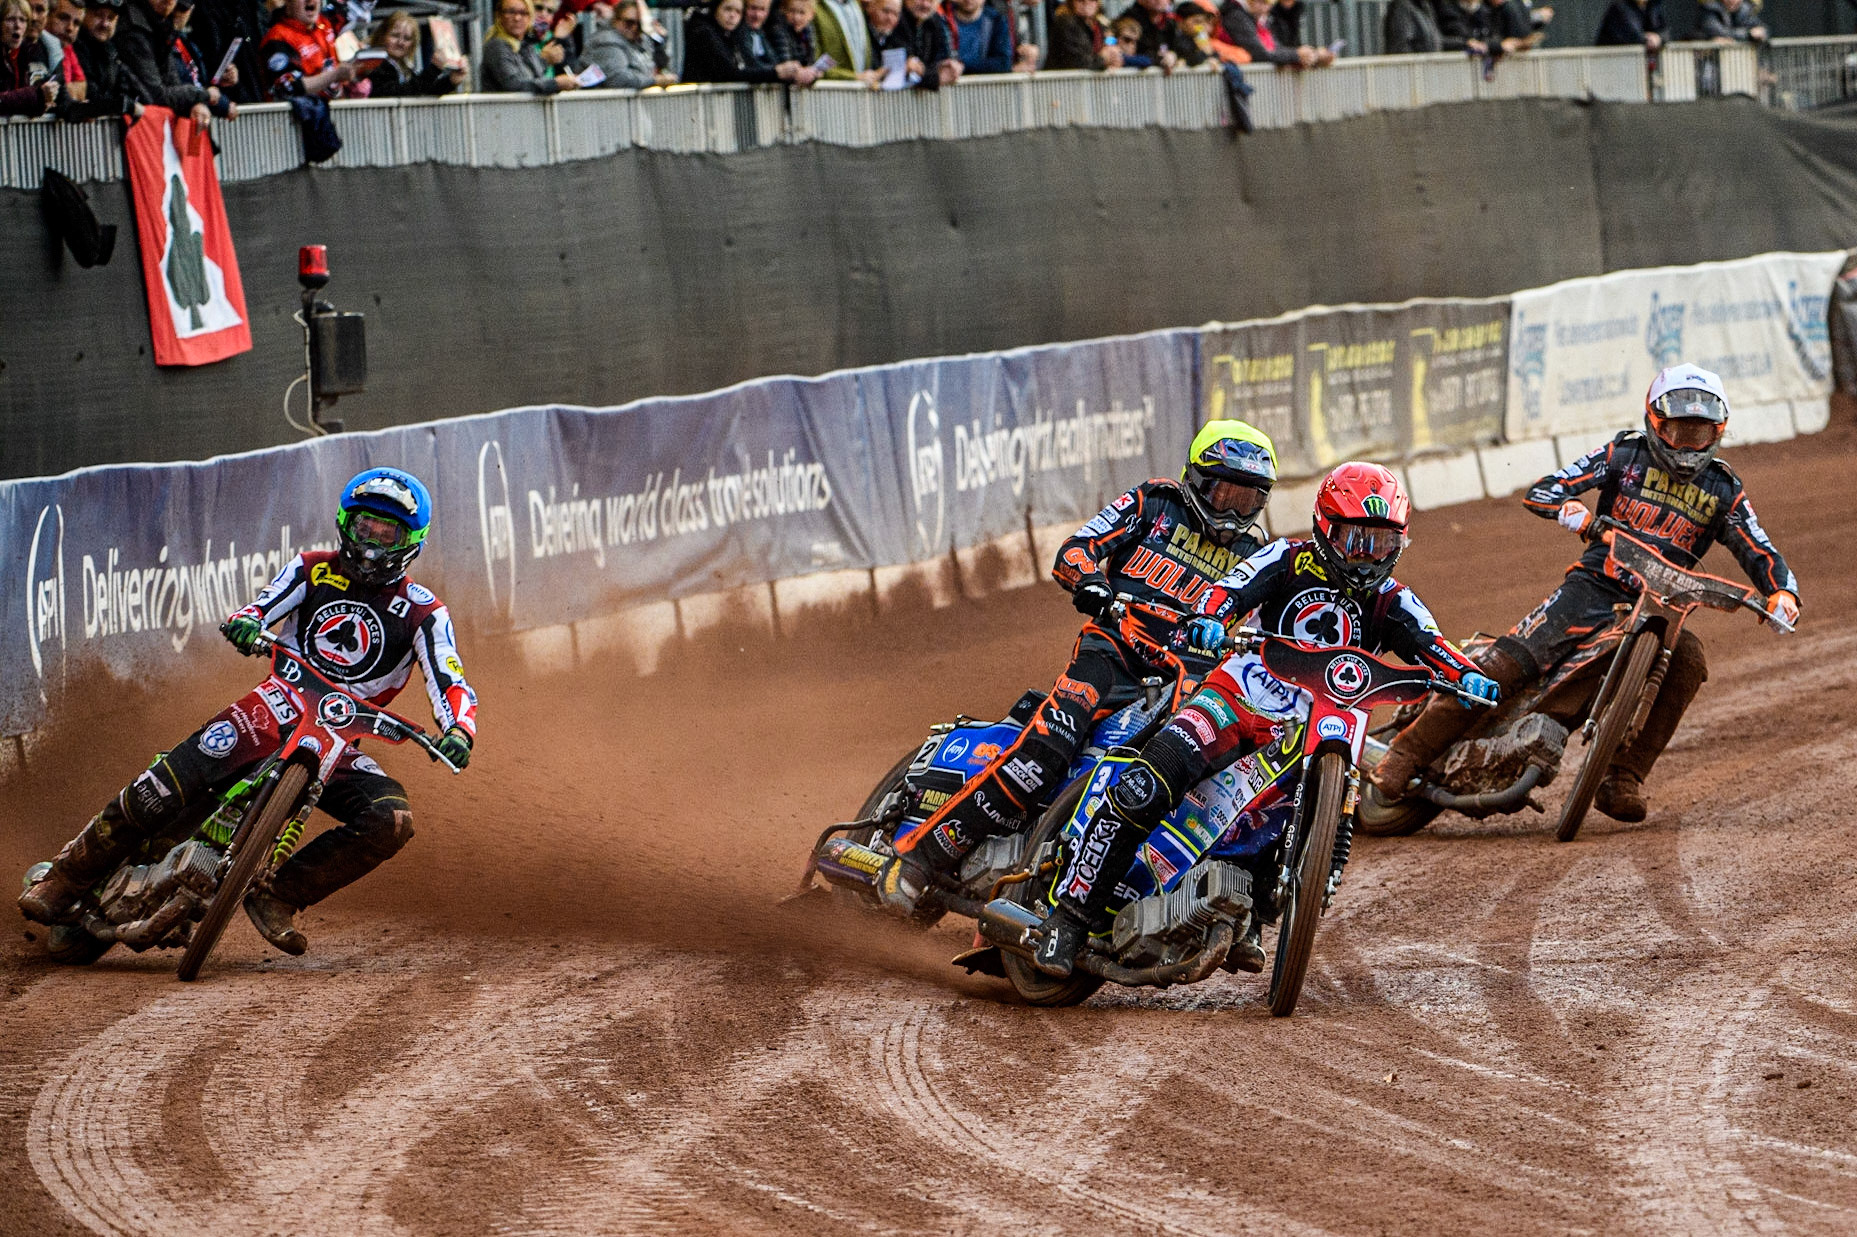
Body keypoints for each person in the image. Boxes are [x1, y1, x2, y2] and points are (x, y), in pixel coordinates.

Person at [1033, 462, 1495, 977]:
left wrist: (1469, 677)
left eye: (1381, 544)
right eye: (1354, 539)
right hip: (1237, 699)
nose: (1366, 557)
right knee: (1149, 781)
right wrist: (1209, 620)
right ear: (1324, 527)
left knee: (1297, 813)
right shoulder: (1284, 557)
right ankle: (1068, 919)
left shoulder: (1394, 601)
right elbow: (1226, 593)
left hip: (1313, 728)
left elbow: (1434, 646)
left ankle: (1251, 916)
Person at [19, 469, 479, 957]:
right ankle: (66, 879)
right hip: (270, 708)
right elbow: (262, 606)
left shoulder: (425, 613)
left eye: (389, 533)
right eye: (366, 527)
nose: (372, 543)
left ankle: (278, 895)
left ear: (412, 542)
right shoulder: (311, 568)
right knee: (163, 785)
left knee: (392, 819)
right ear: (346, 523)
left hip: (339, 743)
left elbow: (451, 679)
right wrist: (247, 622)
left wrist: (458, 729)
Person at [872, 422, 1282, 918]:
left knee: (1177, 783)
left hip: (1185, 682)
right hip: (1112, 654)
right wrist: (1090, 582)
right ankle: (918, 857)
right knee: (1044, 757)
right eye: (1225, 493)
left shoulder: (1259, 557)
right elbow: (1075, 549)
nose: (1233, 512)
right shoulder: (1153, 503)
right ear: (1195, 479)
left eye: (1248, 500)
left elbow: (1275, 633)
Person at [1369, 364, 1799, 822]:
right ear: (1656, 422)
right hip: (1592, 586)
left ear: (1718, 433)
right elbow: (1545, 490)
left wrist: (1782, 594)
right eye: (1677, 431)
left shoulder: (1724, 489)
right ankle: (1405, 754)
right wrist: (1574, 513)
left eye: (1698, 434)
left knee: (1689, 660)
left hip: (1662, 607)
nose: (1687, 445)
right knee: (1504, 666)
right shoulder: (1623, 454)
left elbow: (1759, 548)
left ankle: (1623, 776)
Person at [117, 0, 222, 121]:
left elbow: (172, 82)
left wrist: (193, 104)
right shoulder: (133, 29)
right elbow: (157, 95)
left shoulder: (162, 26)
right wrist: (203, 94)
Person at [260, 0, 359, 97]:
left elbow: (358, 10)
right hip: (300, 112)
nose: (310, 1)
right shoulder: (277, 38)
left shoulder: (324, 21)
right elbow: (289, 87)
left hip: (335, 108)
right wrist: (334, 75)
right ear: (288, 2)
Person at [71, 0, 150, 119]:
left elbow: (142, 95)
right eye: (98, 15)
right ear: (84, 15)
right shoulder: (76, 48)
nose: (105, 24)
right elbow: (92, 96)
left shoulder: (113, 51)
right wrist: (124, 105)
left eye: (111, 18)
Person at [482, 0, 579, 92]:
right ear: (499, 16)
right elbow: (514, 84)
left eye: (523, 13)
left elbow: (535, 77)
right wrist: (556, 83)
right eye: (511, 12)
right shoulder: (497, 45)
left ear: (530, 18)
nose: (517, 18)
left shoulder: (526, 45)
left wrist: (561, 40)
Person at [362, 10, 465, 96]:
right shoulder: (374, 63)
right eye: (395, 35)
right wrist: (434, 70)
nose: (400, 42)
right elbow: (399, 92)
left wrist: (451, 81)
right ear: (382, 36)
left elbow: (424, 91)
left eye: (407, 38)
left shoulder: (404, 67)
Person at [579, 0, 674, 86]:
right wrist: (654, 81)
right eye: (629, 22)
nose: (635, 28)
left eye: (640, 24)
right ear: (616, 20)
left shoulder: (640, 40)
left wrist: (659, 40)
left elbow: (658, 67)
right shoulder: (606, 41)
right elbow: (619, 79)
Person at [1217, 0, 1329, 67]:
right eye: (1265, 1)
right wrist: (1297, 55)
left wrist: (1312, 55)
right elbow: (1260, 54)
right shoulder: (1236, 15)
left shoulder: (1253, 17)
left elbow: (1275, 47)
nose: (1268, 6)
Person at [941, 0, 1036, 74]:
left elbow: (1003, 63)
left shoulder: (996, 20)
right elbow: (939, 63)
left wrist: (961, 65)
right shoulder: (941, 18)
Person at [1, 0, 57, 114]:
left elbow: (22, 104)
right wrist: (36, 95)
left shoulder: (24, 54)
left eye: (22, 20)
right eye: (10, 19)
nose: (17, 26)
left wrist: (44, 102)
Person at [1119, 0, 1199, 69]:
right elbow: (1136, 54)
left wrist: (1174, 55)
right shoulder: (1129, 20)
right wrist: (1160, 59)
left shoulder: (1170, 23)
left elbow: (1186, 50)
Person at [1046, 0, 1122, 69]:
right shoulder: (1066, 23)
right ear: (1071, 2)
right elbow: (1081, 63)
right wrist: (1104, 58)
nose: (1086, 2)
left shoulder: (1101, 26)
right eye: (1080, 0)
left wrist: (1114, 60)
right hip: (1063, 82)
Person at [897, 0, 958, 84]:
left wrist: (953, 66)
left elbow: (943, 61)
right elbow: (904, 67)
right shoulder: (894, 17)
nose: (925, 4)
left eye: (931, 0)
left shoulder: (935, 20)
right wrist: (934, 76)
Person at [813, 0, 870, 77]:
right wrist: (854, 77)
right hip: (829, 85)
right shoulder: (817, 6)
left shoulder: (856, 5)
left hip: (861, 83)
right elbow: (815, 64)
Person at [765, 0, 820, 67]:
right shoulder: (778, 29)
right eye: (792, 11)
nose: (796, 17)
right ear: (784, 10)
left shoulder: (807, 29)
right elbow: (785, 62)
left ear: (811, 15)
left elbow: (810, 58)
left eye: (802, 13)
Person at [1594, 0, 1661, 49]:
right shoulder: (1619, 6)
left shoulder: (1650, 6)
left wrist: (1658, 37)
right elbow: (1632, 35)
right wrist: (1648, 38)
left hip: (1631, 60)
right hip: (1609, 60)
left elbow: (1663, 31)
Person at [1692, 0, 1764, 42]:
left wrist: (1762, 33)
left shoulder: (1745, 9)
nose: (1732, 1)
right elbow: (1718, 32)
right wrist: (1749, 34)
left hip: (1739, 61)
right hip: (1709, 61)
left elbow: (1761, 29)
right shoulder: (1709, 8)